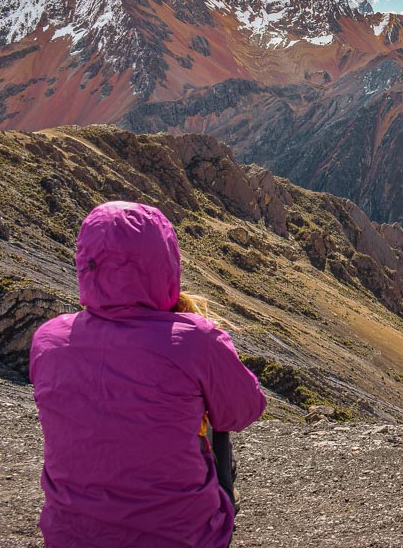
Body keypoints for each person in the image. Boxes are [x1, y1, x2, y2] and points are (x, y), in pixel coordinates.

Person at [30, 201, 267, 548]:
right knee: (218, 420)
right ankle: (215, 513)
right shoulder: (195, 339)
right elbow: (244, 410)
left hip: (70, 538)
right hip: (182, 538)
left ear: (85, 262)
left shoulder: (48, 339)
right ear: (164, 262)